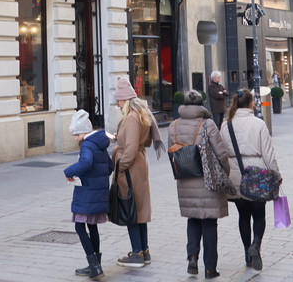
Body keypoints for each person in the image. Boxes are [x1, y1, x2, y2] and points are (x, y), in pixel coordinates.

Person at [169, 91, 230, 279]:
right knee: (209, 223)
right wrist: (225, 172)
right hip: (207, 179)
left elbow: (172, 152)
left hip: (186, 179)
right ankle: (210, 268)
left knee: (193, 219)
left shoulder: (173, 125)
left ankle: (192, 258)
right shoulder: (208, 124)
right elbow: (221, 153)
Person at [220, 90, 281, 272]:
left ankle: (247, 254)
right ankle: (256, 244)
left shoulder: (226, 125)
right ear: (251, 103)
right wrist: (276, 174)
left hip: (235, 175)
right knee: (259, 215)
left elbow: (222, 152)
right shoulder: (258, 124)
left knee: (243, 216)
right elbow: (268, 154)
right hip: (257, 175)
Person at [111, 76, 165, 268]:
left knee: (130, 209)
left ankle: (136, 254)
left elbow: (131, 149)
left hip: (130, 169)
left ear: (125, 99)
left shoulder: (132, 116)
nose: (117, 103)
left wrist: (119, 167)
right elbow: (142, 142)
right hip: (139, 165)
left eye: (118, 100)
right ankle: (144, 251)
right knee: (139, 209)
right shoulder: (140, 113)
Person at [63, 109, 112, 280]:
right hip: (98, 192)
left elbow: (86, 162)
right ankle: (96, 265)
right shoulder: (100, 143)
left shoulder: (87, 145)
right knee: (92, 226)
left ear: (84, 131)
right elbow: (110, 167)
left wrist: (69, 171)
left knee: (79, 226)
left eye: (77, 134)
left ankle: (94, 267)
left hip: (87, 193)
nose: (76, 138)